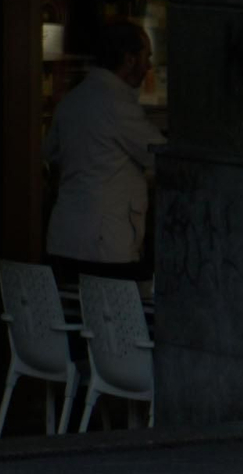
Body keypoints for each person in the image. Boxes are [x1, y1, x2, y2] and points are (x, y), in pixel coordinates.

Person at [42, 20, 162, 283]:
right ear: (129, 60)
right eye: (146, 57)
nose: (149, 66)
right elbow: (160, 155)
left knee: (75, 317)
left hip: (65, 238)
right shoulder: (118, 106)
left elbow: (51, 152)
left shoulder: (72, 101)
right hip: (106, 244)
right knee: (112, 321)